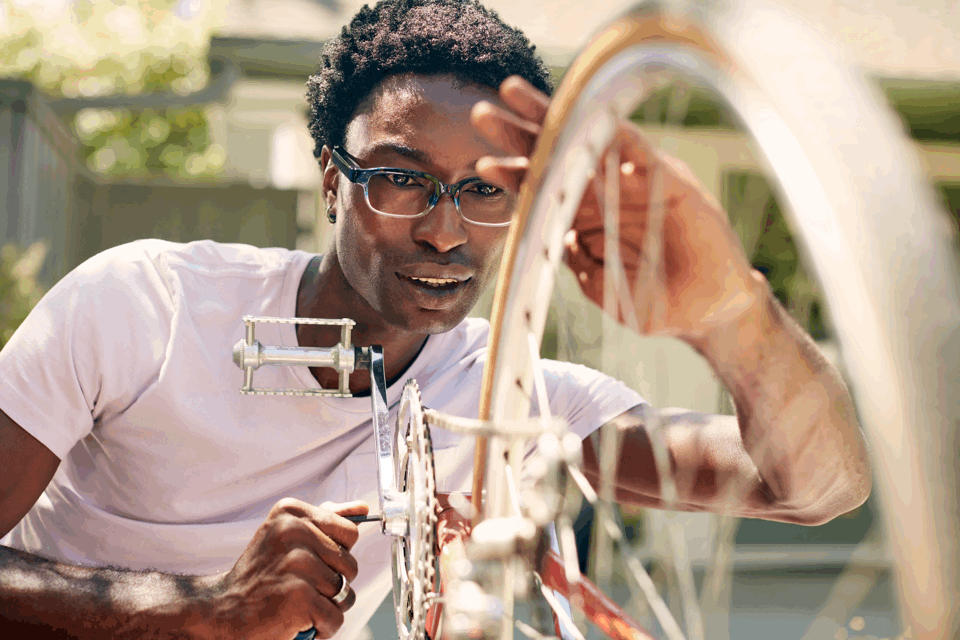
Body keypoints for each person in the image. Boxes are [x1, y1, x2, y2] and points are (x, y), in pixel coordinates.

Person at [0, 1, 871, 638]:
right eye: (401, 178)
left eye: (485, 190)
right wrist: (206, 611)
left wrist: (733, 312)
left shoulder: (504, 398)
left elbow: (815, 489)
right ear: (333, 181)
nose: (445, 231)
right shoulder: (143, 306)